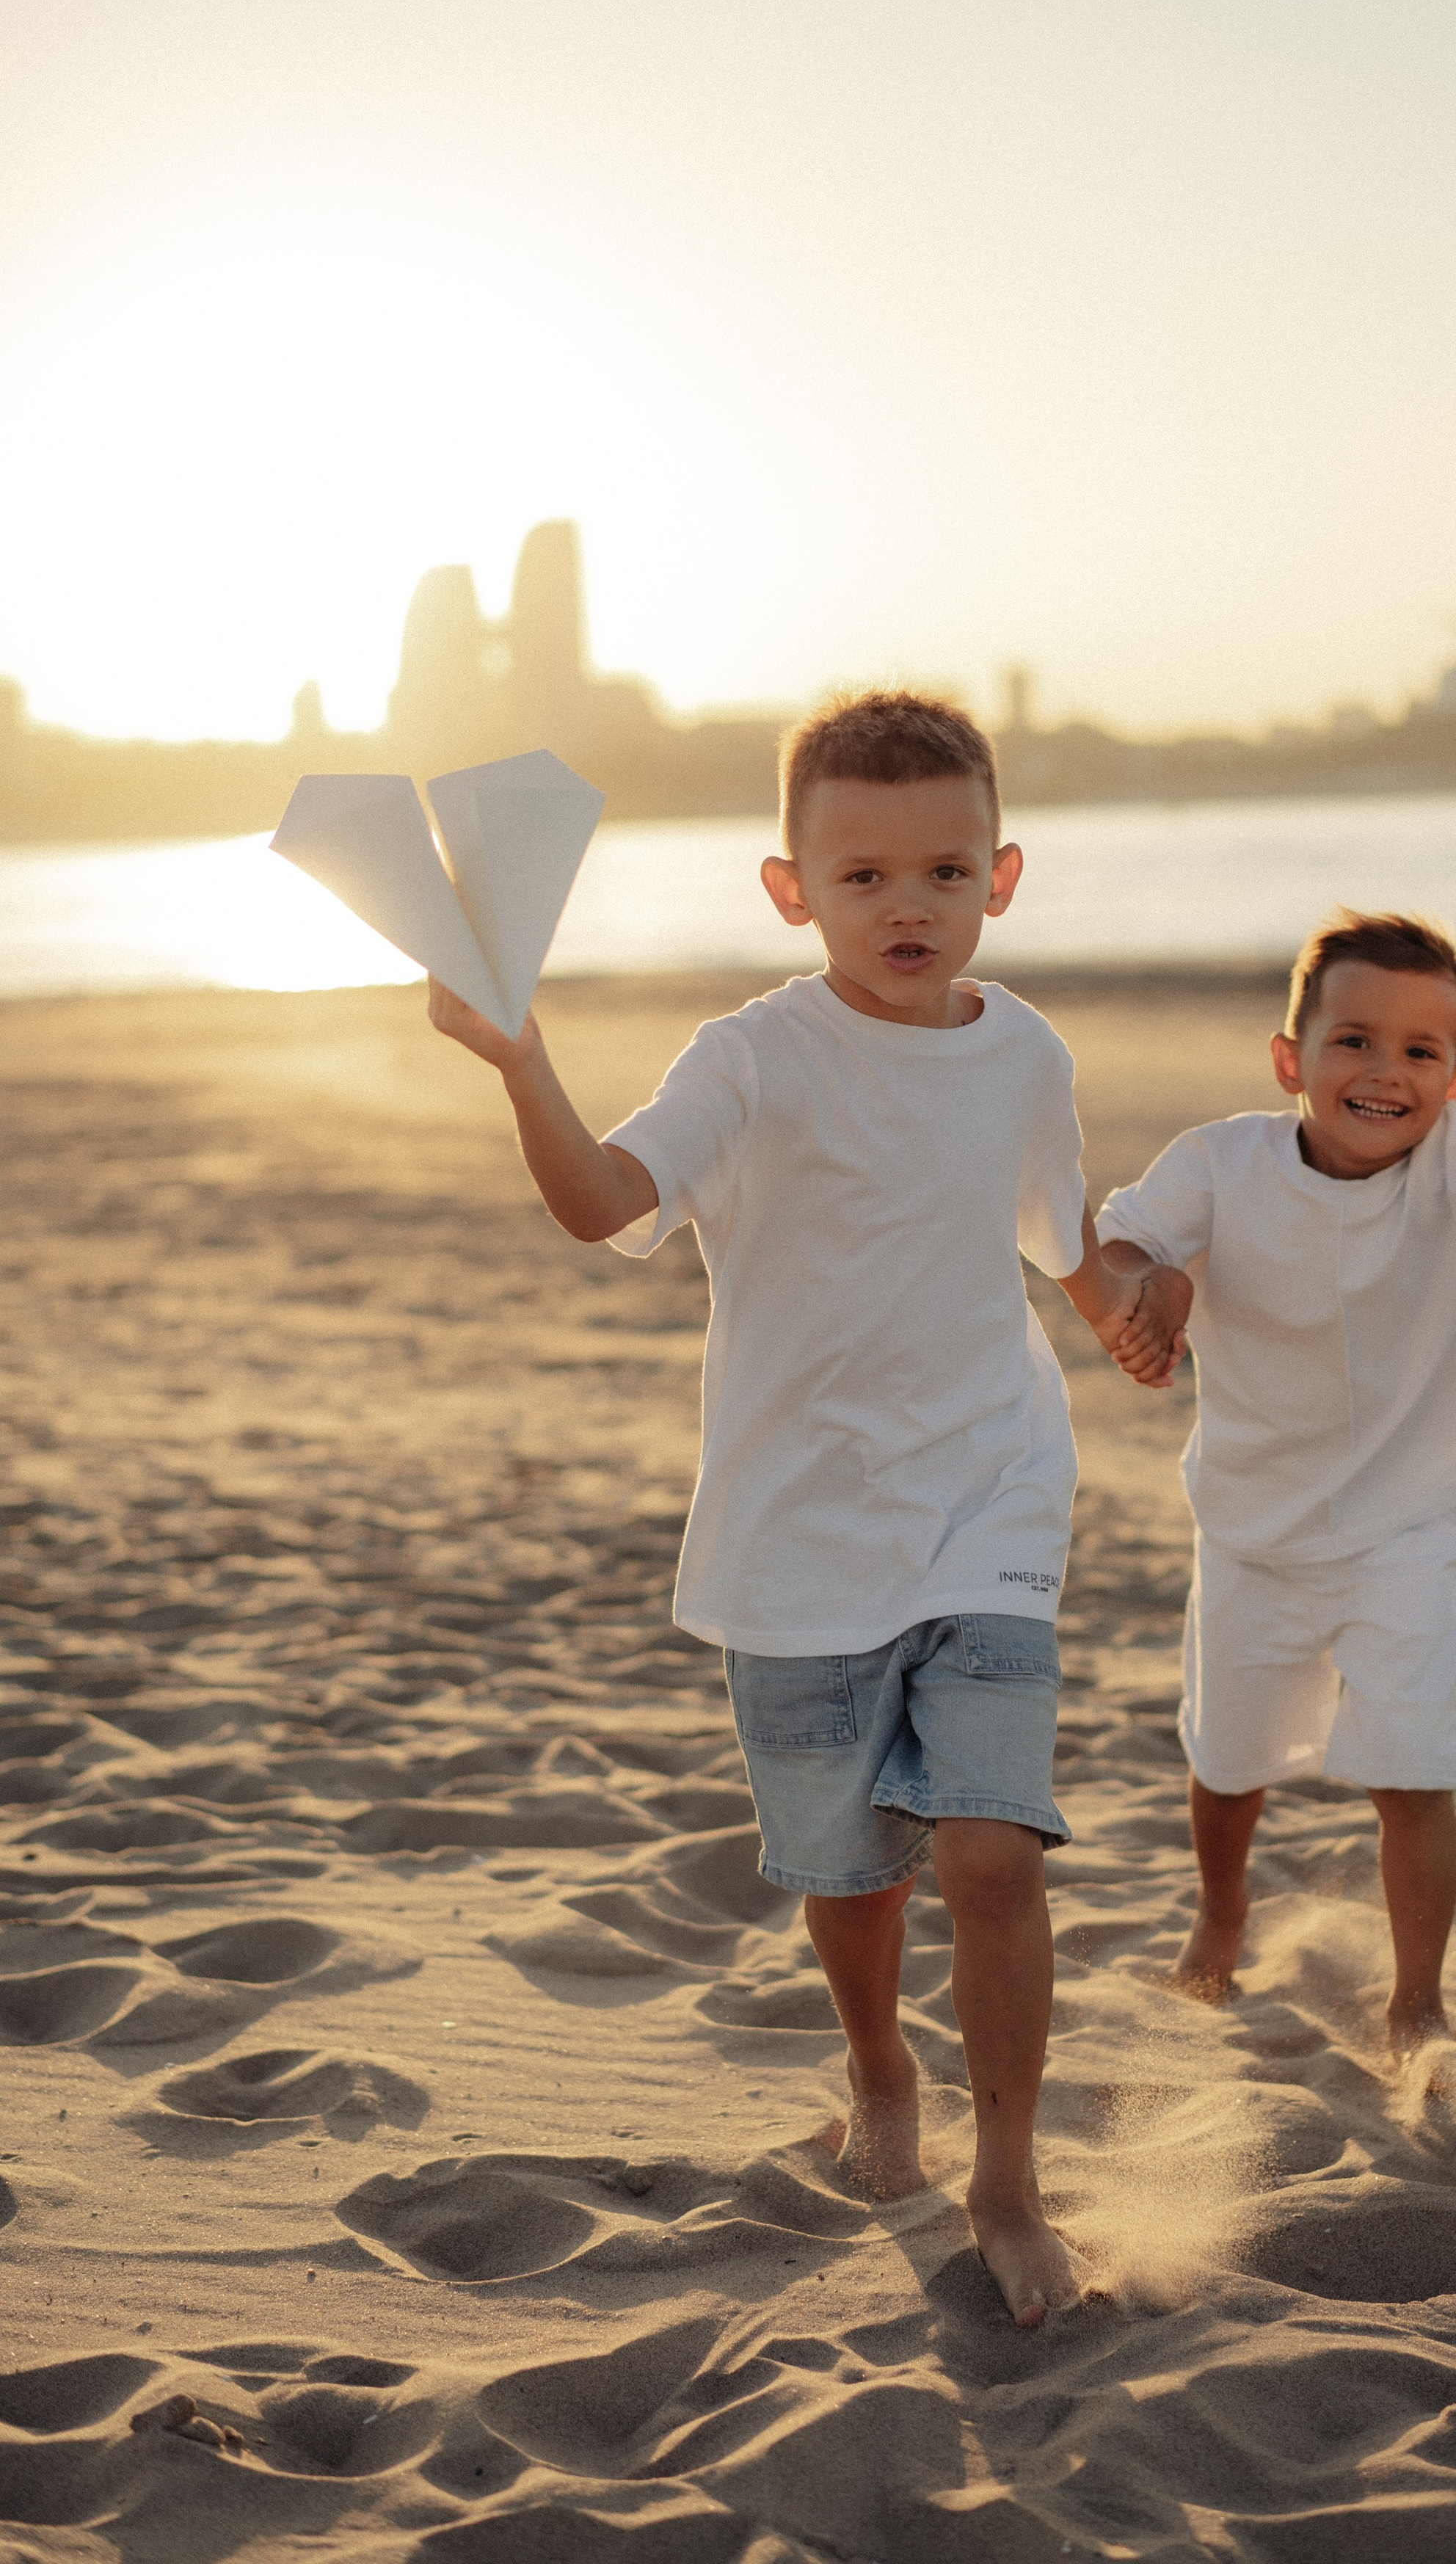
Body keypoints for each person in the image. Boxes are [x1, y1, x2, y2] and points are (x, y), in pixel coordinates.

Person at [429, 688, 1161, 2326]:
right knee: (853, 1882)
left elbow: (1062, 1234)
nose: (907, 906)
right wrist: (520, 1059)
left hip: (990, 1496)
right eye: (861, 878)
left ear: (1003, 875)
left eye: (944, 872)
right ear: (790, 889)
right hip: (798, 1534)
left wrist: (1129, 1297)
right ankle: (878, 2068)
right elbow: (604, 1203)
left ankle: (1008, 2179)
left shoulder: (1025, 1051)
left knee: (990, 1856)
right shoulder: (747, 1061)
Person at [1097, 909, 1456, 2058]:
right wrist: (1159, 1292)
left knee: (1413, 1769)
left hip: (1405, 1527)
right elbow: (1128, 1244)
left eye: (1421, 1054)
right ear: (1291, 1059)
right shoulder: (1219, 1164)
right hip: (1250, 1526)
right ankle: (1220, 1920)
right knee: (1229, 1764)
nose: (1387, 1073)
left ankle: (1417, 1997)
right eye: (1354, 1042)